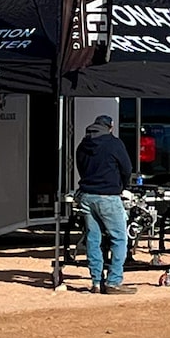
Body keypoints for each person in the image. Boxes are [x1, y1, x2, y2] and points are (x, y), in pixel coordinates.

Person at [75, 114, 136, 294]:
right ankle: (114, 281)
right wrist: (121, 186)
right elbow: (127, 168)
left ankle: (95, 282)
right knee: (119, 239)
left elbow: (80, 167)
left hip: (87, 196)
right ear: (110, 127)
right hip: (108, 196)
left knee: (93, 240)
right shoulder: (114, 143)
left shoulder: (82, 145)